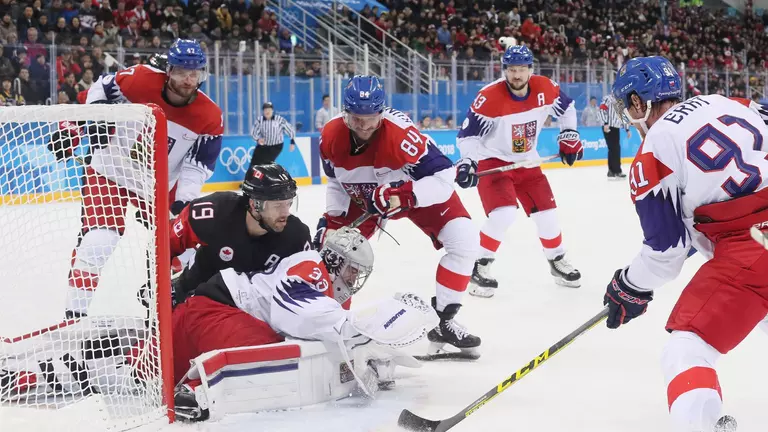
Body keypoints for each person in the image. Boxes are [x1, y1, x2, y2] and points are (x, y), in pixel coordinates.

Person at [602, 56, 768, 432]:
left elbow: (665, 253)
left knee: (687, 349)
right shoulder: (729, 102)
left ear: (639, 103)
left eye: (628, 105)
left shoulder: (653, 152)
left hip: (754, 245)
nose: (628, 116)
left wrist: (629, 285)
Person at [171, 227, 435, 420]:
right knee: (276, 357)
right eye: (351, 270)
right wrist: (359, 329)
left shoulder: (329, 289)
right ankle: (197, 394)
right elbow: (289, 313)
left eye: (358, 273)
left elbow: (333, 332)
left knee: (149, 367)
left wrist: (374, 355)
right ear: (335, 260)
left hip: (204, 314)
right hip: (215, 312)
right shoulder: (312, 268)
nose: (353, 279)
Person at [46, 39, 223, 318]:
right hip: (110, 172)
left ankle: (175, 306)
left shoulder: (210, 116)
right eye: (180, 73)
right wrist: (83, 126)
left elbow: (198, 165)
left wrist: (184, 200)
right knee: (99, 241)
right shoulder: (139, 80)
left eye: (195, 73)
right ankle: (73, 318)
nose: (188, 81)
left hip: (156, 186)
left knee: (188, 248)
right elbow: (95, 92)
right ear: (167, 71)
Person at [316, 75, 481, 360]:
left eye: (370, 117)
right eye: (356, 118)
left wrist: (404, 195)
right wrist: (333, 219)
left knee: (464, 239)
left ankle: (444, 321)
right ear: (345, 114)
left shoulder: (402, 135)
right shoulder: (330, 136)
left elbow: (443, 177)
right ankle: (331, 331)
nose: (363, 125)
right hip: (362, 198)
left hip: (411, 191)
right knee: (334, 257)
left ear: (381, 112)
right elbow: (335, 183)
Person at [454, 45, 583, 298]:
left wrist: (569, 135)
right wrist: (468, 161)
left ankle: (556, 261)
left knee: (548, 215)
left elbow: (567, 109)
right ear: (505, 71)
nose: (516, 75)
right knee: (503, 214)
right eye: (512, 70)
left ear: (530, 70)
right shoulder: (489, 97)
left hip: (527, 162)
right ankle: (479, 265)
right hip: (493, 161)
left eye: (521, 70)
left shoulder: (545, 87)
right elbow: (467, 135)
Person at [168, 164, 312, 305]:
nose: (285, 213)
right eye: (277, 205)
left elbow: (309, 290)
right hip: (194, 296)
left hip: (253, 312)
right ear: (254, 204)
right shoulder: (215, 212)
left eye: (288, 203)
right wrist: (157, 283)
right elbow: (166, 244)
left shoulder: (297, 237)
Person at [248, 101, 296, 171]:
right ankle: (249, 179)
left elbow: (290, 129)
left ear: (272, 111)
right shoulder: (260, 120)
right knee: (254, 162)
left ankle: (265, 179)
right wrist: (258, 139)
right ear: (263, 111)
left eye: (269, 110)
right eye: (265, 110)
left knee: (266, 162)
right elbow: (253, 132)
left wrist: (292, 142)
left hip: (276, 146)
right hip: (264, 145)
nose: (267, 111)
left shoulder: (279, 120)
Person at [599, 94, 631, 179]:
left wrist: (627, 129)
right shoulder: (608, 99)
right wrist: (605, 123)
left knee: (614, 149)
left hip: (616, 127)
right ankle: (616, 171)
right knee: (614, 148)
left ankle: (612, 171)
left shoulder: (620, 101)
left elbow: (623, 116)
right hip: (608, 126)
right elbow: (602, 110)